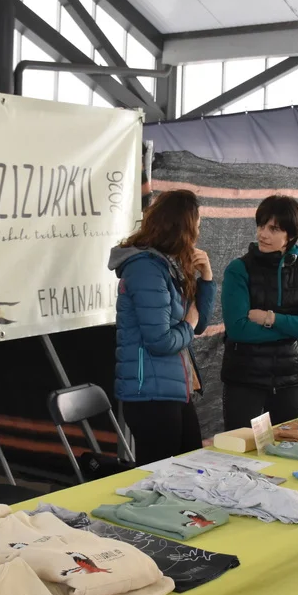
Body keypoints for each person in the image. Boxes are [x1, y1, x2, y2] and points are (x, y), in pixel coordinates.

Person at [108, 189, 216, 465]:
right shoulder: (145, 268)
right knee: (161, 476)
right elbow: (160, 340)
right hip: (150, 395)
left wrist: (206, 279)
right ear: (182, 228)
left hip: (173, 388)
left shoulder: (168, 265)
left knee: (190, 466)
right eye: (197, 225)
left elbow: (199, 324)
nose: (198, 233)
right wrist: (189, 323)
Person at [220, 195, 298, 430]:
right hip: (245, 378)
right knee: (241, 447)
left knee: (286, 446)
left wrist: (270, 318)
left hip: (290, 379)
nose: (263, 234)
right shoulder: (238, 269)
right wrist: (294, 327)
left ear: (291, 234)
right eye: (261, 225)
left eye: (273, 229)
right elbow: (238, 329)